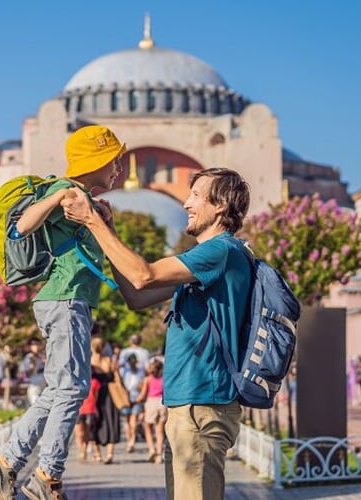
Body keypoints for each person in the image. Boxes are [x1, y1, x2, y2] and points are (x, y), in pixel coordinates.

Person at [61, 167, 253, 499]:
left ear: (220, 206)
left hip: (201, 403)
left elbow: (143, 276)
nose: (186, 204)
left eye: (195, 196)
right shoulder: (205, 262)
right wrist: (108, 229)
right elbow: (137, 296)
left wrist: (92, 221)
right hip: (188, 405)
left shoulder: (220, 251)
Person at [0, 125, 126, 500]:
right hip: (64, 300)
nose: (119, 170)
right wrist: (60, 195)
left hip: (71, 300)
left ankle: (8, 464)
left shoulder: (86, 202)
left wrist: (100, 220)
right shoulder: (63, 191)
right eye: (114, 161)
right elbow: (20, 227)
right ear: (96, 161)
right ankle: (48, 475)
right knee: (73, 387)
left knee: (62, 388)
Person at [91, 336, 121, 465]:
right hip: (110, 394)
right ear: (104, 347)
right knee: (111, 421)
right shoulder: (110, 361)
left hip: (93, 395)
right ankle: (109, 454)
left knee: (94, 423)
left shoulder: (89, 362)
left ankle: (97, 454)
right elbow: (118, 378)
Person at [138, 358, 167, 464]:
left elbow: (142, 395)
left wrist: (135, 401)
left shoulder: (148, 379)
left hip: (151, 402)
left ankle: (151, 449)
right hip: (162, 403)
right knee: (160, 431)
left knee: (148, 427)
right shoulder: (164, 379)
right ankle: (159, 454)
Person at [120, 353, 146, 453]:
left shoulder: (140, 371)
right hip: (126, 396)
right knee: (127, 420)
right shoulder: (124, 371)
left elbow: (142, 384)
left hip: (136, 396)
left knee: (133, 420)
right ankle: (129, 439)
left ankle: (132, 441)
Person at [21, 338, 46, 406]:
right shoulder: (29, 358)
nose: (36, 347)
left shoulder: (43, 356)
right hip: (35, 385)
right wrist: (33, 365)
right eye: (34, 345)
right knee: (35, 405)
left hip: (44, 385)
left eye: (38, 344)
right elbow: (27, 375)